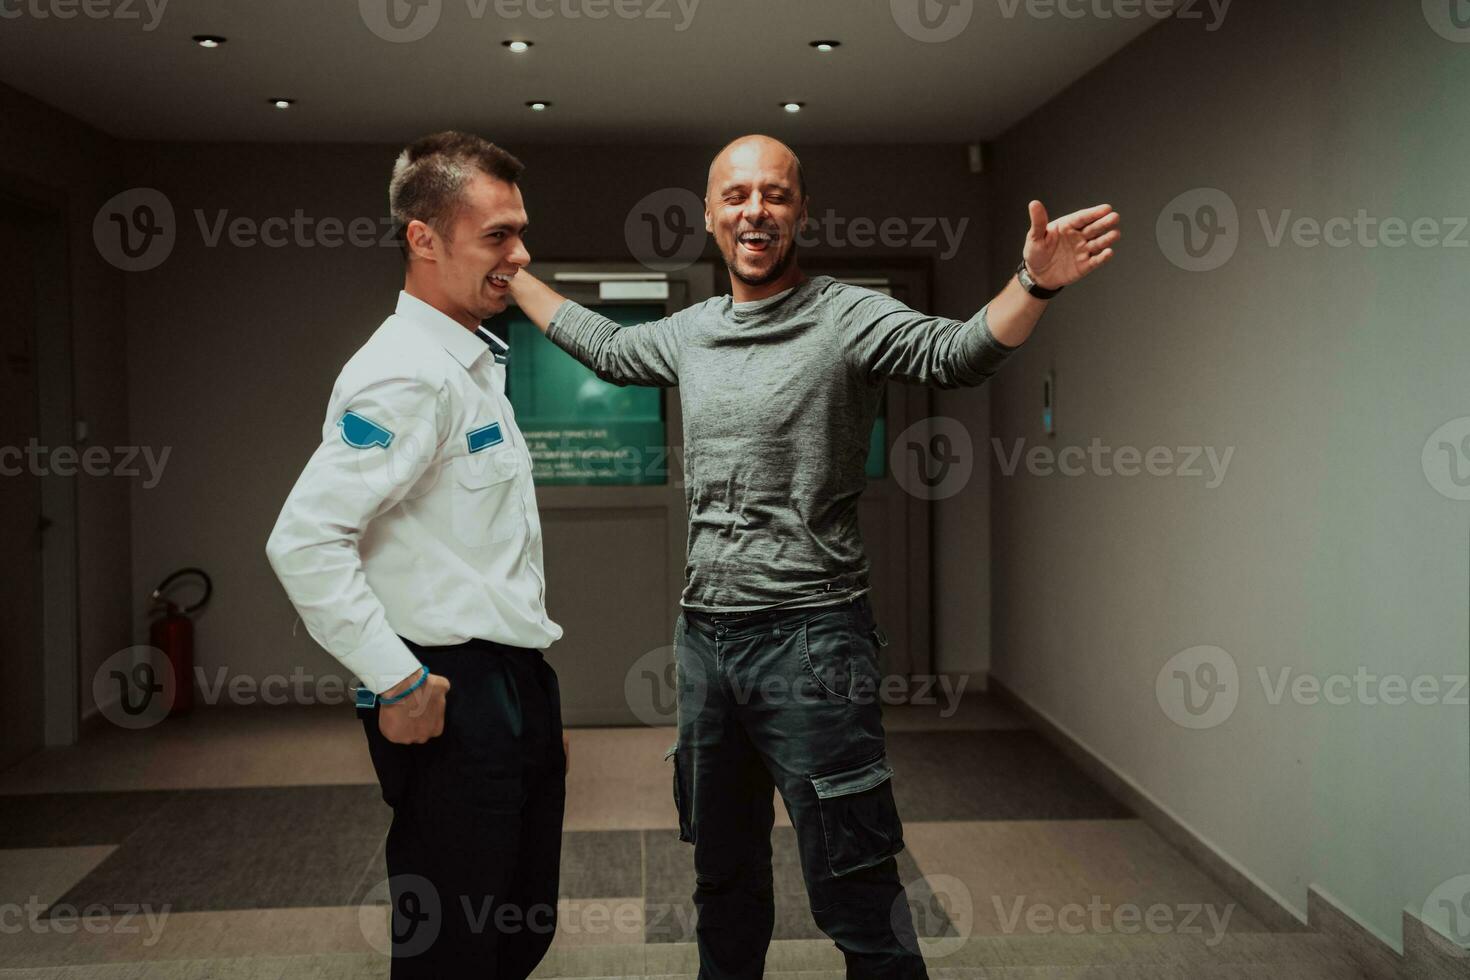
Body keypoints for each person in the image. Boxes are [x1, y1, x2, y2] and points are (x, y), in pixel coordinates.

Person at [507, 134, 1119, 979]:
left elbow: (959, 353)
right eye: (736, 196)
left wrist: (1034, 283)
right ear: (711, 216)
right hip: (706, 642)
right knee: (722, 881)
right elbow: (609, 349)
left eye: (775, 195)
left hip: (812, 643)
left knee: (856, 888)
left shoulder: (847, 314)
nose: (754, 211)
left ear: (801, 211)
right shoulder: (692, 332)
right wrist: (513, 273)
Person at [265, 131, 566, 979]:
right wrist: (394, 679)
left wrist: (532, 706)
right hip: (445, 687)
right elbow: (303, 539)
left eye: (520, 230)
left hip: (506, 682)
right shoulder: (406, 374)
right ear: (423, 239)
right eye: (498, 235)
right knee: (454, 945)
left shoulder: (469, 364)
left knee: (515, 930)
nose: (521, 253)